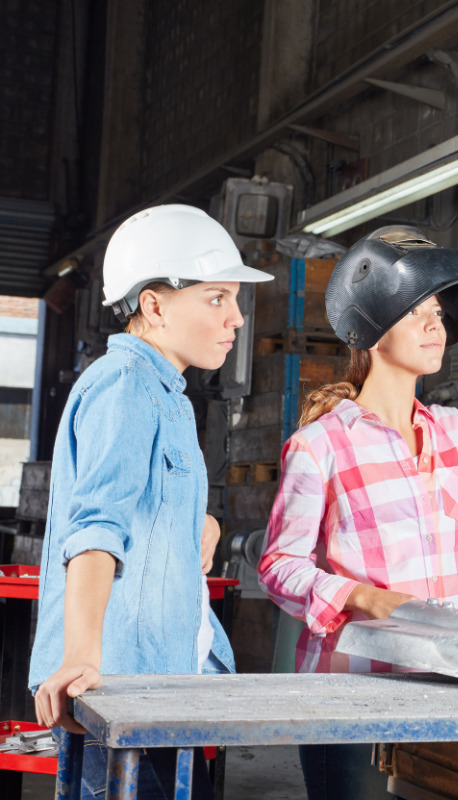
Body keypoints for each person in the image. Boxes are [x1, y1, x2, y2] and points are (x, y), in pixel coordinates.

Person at [258, 226, 458, 800]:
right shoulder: (322, 445)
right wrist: (364, 599)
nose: (437, 325)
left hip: (451, 683)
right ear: (372, 330)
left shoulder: (451, 433)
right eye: (415, 311)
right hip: (354, 696)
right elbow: (279, 567)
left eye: (438, 311)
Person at [29, 204, 274, 799]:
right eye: (217, 298)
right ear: (155, 304)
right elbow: (95, 528)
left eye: (235, 300)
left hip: (163, 687)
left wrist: (203, 522)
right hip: (118, 695)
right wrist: (81, 662)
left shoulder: (167, 394)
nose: (236, 318)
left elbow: (144, 504)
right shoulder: (124, 386)